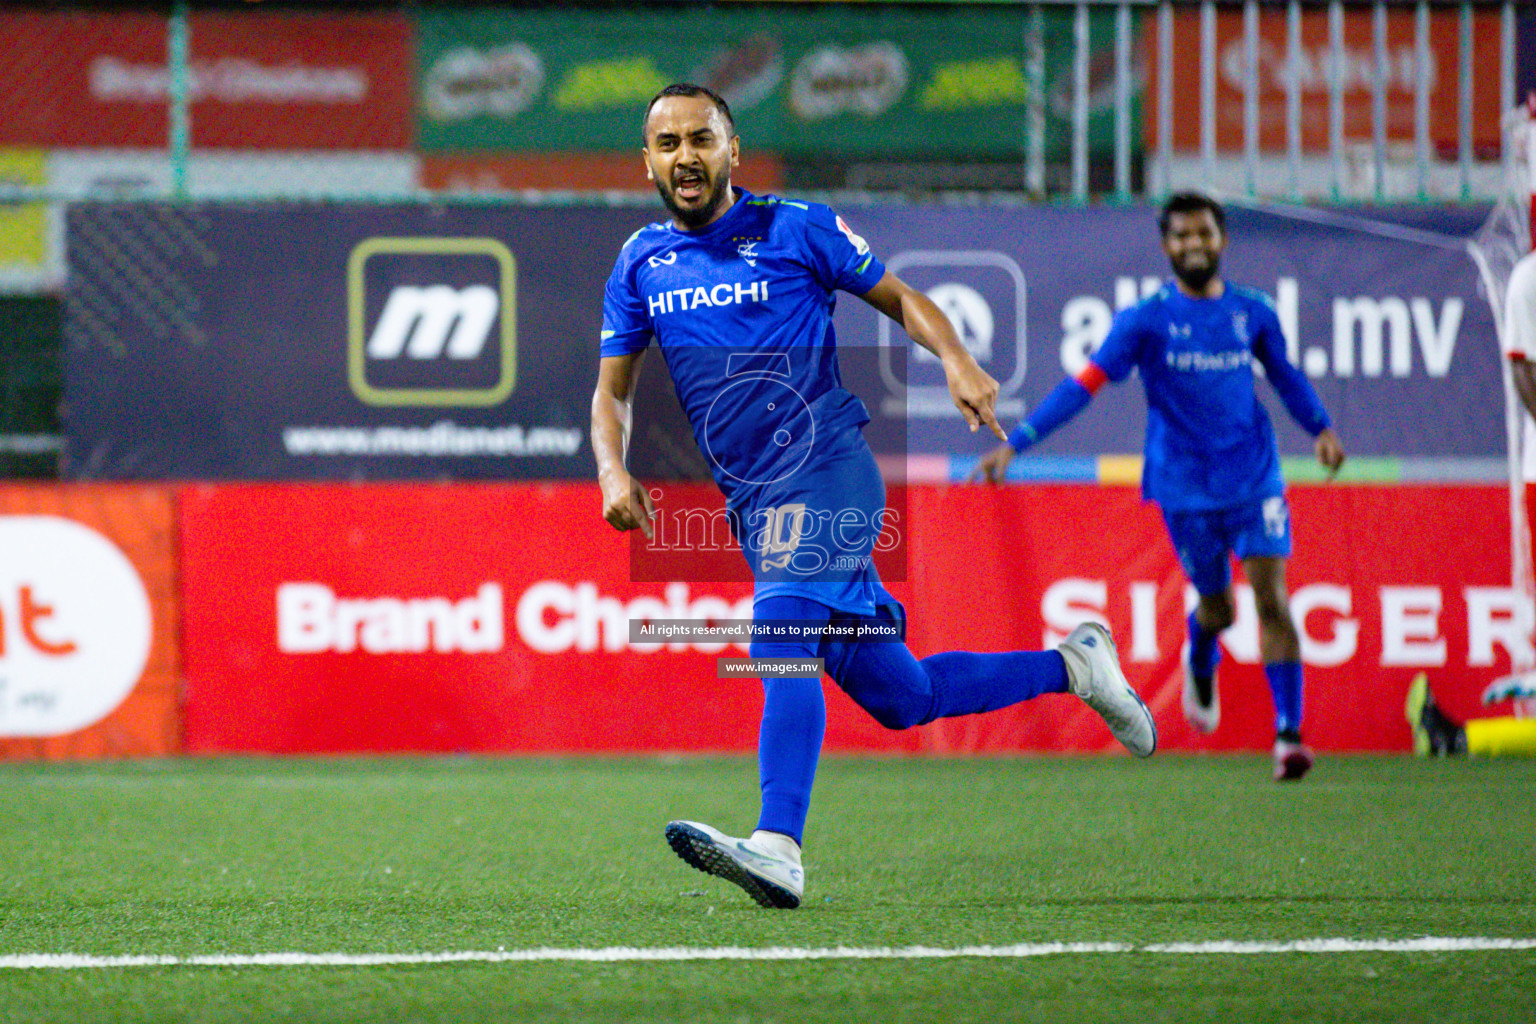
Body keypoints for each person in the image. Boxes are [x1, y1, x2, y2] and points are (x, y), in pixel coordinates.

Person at [591, 83, 1156, 910]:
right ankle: (1075, 666)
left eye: (701, 140)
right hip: (752, 501)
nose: (686, 157)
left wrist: (956, 359)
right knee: (904, 697)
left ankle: (778, 843)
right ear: (646, 160)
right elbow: (613, 392)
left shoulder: (795, 226)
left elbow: (899, 298)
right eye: (668, 143)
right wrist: (612, 467)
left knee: (780, 632)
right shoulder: (640, 261)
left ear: (733, 151)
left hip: (828, 466)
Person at [970, 192, 1346, 783]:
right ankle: (1201, 648)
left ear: (1222, 239)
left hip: (1254, 477)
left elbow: (1286, 377)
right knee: (1219, 608)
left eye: (1204, 233)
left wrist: (1320, 427)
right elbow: (1083, 385)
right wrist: (1016, 442)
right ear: (1166, 245)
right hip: (1184, 488)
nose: (1194, 244)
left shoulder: (1254, 312)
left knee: (1272, 597)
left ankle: (1289, 736)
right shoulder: (1144, 320)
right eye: (1182, 236)